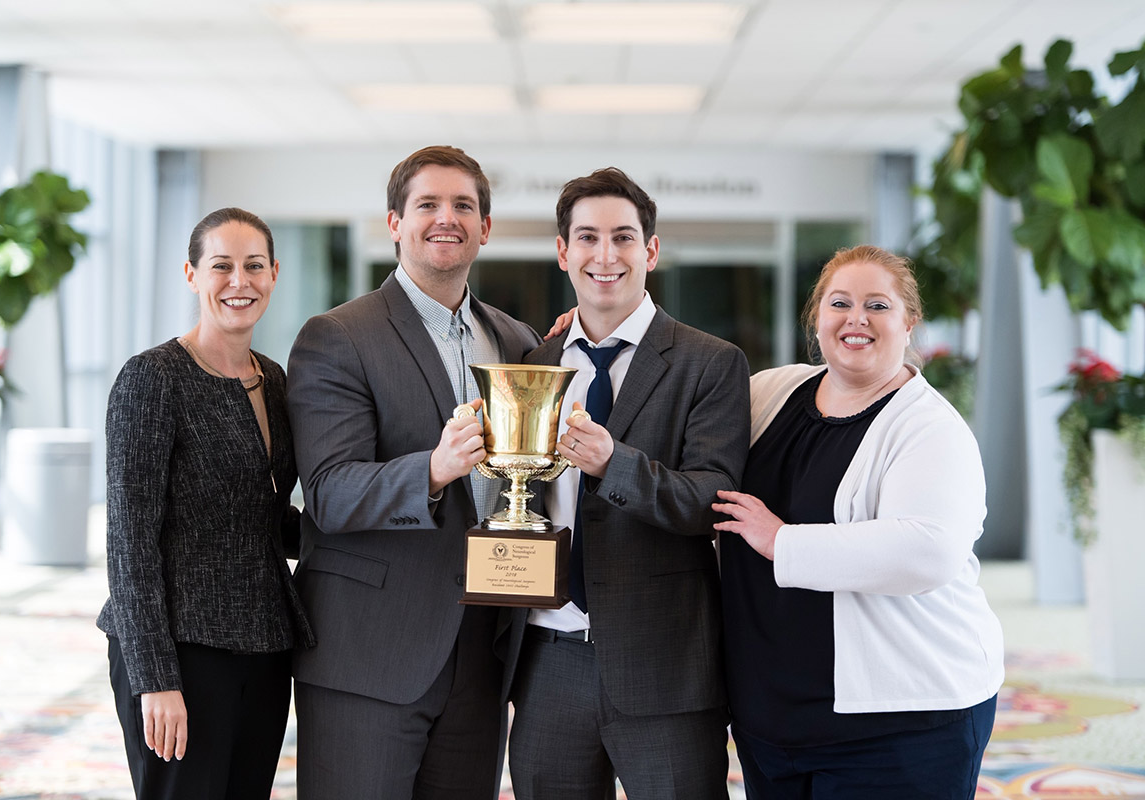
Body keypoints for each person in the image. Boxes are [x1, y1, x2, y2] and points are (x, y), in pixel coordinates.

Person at [286, 145, 541, 799]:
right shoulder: (338, 336)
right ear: (395, 222)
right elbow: (330, 494)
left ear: (486, 228)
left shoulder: (515, 342)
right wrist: (432, 469)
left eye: (464, 205)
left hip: (483, 650)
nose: (445, 218)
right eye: (427, 204)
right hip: (371, 650)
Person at [713, 244, 1004, 799]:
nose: (857, 319)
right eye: (840, 303)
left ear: (909, 323)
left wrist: (782, 541)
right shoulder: (772, 392)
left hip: (901, 723)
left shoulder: (929, 428)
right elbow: (685, 405)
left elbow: (927, 552)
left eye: (878, 305)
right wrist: (592, 327)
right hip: (770, 718)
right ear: (816, 318)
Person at [503, 167, 749, 799]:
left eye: (622, 237)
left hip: (664, 660)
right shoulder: (535, 366)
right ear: (563, 253)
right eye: (586, 238)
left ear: (651, 250)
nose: (604, 255)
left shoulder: (710, 363)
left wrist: (616, 465)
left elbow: (711, 501)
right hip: (546, 657)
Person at [97, 207, 314, 800]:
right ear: (192, 275)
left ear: (274, 274)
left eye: (253, 267)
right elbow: (129, 539)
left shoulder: (273, 379)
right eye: (221, 266)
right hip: (182, 651)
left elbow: (263, 515)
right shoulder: (152, 377)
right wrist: (155, 679)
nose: (238, 282)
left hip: (265, 646)